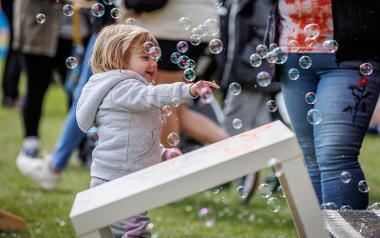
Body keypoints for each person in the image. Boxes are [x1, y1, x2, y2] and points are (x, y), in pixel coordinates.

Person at [76, 24, 220, 237]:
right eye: (145, 58)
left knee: (129, 231)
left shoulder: (125, 91)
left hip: (121, 176)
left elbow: (136, 136)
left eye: (155, 58)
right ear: (117, 59)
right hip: (119, 181)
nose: (153, 63)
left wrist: (160, 152)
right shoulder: (123, 87)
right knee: (135, 232)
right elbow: (152, 96)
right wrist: (187, 89)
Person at [267, 0, 380, 209]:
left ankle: (345, 231)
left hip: (351, 52)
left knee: (334, 154)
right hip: (291, 50)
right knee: (310, 155)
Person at [16, 2, 114, 190]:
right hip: (103, 28)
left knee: (85, 96)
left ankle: (55, 167)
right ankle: (56, 159)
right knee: (81, 94)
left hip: (108, 30)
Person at [119, 0, 229, 148]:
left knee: (164, 105)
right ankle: (237, 151)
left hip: (169, 28)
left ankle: (166, 165)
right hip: (189, 26)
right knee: (178, 110)